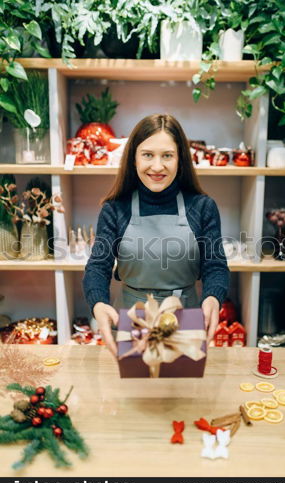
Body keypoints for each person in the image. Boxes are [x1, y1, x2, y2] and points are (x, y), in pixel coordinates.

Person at [83, 114, 230, 356]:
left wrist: (213, 297)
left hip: (187, 320)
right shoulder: (115, 209)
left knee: (184, 389)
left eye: (167, 156)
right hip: (132, 319)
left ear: (180, 159)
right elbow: (98, 267)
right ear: (133, 158)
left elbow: (215, 266)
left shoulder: (202, 207)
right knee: (134, 390)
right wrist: (98, 303)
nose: (157, 166)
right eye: (148, 155)